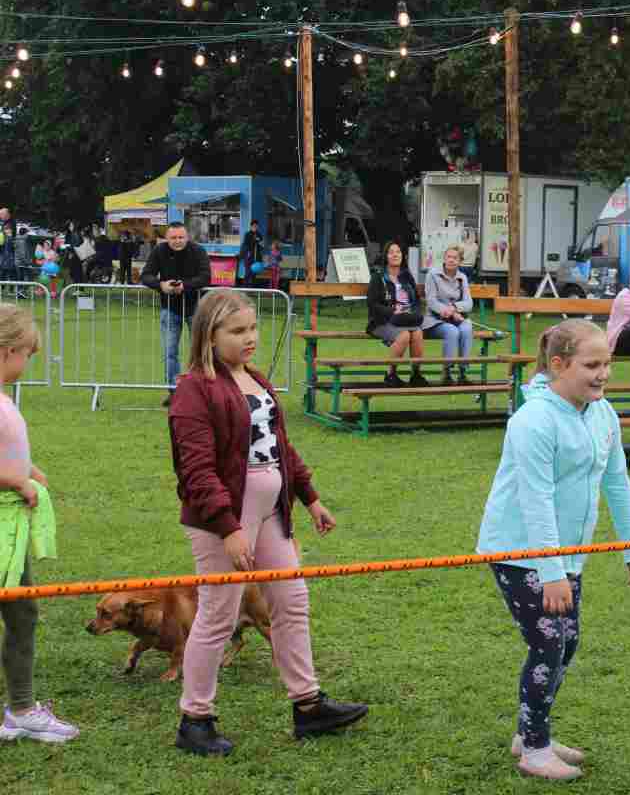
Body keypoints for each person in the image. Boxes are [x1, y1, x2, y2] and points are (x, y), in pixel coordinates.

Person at [167, 289, 367, 756]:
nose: (250, 338)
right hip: (224, 519)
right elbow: (196, 470)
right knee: (218, 615)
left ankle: (308, 705)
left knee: (292, 602)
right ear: (209, 336)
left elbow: (279, 446)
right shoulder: (194, 389)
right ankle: (195, 719)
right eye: (237, 331)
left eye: (253, 328)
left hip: (273, 510)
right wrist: (228, 527)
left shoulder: (255, 378)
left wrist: (310, 498)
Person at [476, 319, 630, 781]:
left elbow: (617, 481)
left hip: (567, 553)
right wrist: (550, 572)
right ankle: (534, 749)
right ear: (558, 365)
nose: (603, 374)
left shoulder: (603, 414)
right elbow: (535, 500)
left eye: (607, 364)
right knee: (548, 643)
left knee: (567, 643)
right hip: (519, 551)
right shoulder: (533, 421)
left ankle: (530, 731)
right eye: (591, 365)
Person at [0, 305, 79, 745]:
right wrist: (16, 481)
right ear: (8, 350)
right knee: (20, 611)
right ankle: (22, 709)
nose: (28, 363)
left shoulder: (5, 399)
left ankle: (21, 709)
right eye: (27, 354)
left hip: (10, 528)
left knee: (22, 612)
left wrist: (29, 469)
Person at [140, 222, 212, 406]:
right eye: (173, 237)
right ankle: (175, 392)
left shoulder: (198, 251)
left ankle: (201, 392)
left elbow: (206, 277)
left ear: (187, 237)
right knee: (169, 353)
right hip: (170, 309)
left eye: (181, 237)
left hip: (196, 309)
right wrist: (161, 285)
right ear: (167, 238)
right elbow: (146, 275)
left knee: (200, 352)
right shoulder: (159, 251)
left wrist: (184, 285)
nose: (178, 241)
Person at [366, 240, 428, 388]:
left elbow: (417, 301)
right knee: (404, 335)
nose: (395, 255)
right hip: (383, 321)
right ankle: (391, 374)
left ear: (402, 256)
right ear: (386, 256)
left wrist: (415, 312)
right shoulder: (378, 277)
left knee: (417, 333)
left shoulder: (407, 276)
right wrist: (392, 310)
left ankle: (416, 374)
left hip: (406, 319)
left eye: (398, 252)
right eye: (391, 252)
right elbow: (372, 304)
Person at [422, 246, 474, 386]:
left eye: (455, 258)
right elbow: (431, 300)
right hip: (434, 320)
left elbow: (469, 303)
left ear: (460, 261)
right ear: (444, 259)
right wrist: (445, 310)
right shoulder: (432, 274)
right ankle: (447, 372)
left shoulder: (462, 277)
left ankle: (463, 372)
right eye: (449, 257)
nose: (451, 260)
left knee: (467, 327)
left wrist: (455, 308)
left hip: (456, 318)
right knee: (452, 331)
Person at [238, 219, 263, 288]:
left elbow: (262, 245)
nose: (255, 227)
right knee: (247, 273)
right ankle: (245, 287)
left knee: (254, 273)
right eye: (254, 226)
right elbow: (246, 245)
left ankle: (252, 288)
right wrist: (254, 240)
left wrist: (259, 242)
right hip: (248, 257)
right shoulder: (247, 234)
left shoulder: (259, 235)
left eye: (256, 226)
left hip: (256, 257)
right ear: (251, 226)